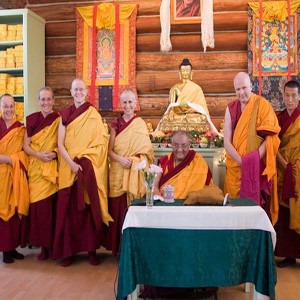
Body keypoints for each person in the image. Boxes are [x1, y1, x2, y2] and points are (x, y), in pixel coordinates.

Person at [52, 78, 112, 267]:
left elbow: (101, 142)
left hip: (87, 169)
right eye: (75, 89)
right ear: (71, 92)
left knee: (88, 209)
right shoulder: (65, 114)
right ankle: (68, 252)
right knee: (69, 212)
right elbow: (60, 144)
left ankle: (91, 251)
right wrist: (71, 163)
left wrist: (85, 162)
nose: (78, 92)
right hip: (69, 168)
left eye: (81, 89)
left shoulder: (93, 114)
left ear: (86, 92)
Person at [224, 72, 281, 224]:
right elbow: (226, 142)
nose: (241, 92)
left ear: (251, 86)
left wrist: (254, 159)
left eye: (244, 88)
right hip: (236, 167)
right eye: (237, 89)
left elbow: (272, 136)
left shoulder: (262, 105)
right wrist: (242, 161)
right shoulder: (231, 108)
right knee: (234, 210)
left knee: (256, 211)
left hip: (257, 167)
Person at [107, 89, 154, 255]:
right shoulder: (115, 124)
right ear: (121, 103)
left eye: (130, 102)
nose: (127, 106)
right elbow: (109, 151)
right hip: (119, 171)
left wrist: (135, 161)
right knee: (118, 211)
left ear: (135, 103)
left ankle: (133, 248)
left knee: (132, 210)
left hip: (135, 172)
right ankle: (118, 249)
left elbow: (147, 152)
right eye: (124, 102)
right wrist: (121, 159)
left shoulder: (140, 124)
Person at [23, 87, 60, 260]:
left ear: (54, 101)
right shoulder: (31, 120)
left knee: (51, 208)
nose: (46, 103)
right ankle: (42, 247)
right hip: (36, 167)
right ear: (38, 101)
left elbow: (63, 143)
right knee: (39, 209)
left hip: (51, 167)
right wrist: (38, 155)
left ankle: (52, 246)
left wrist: (54, 154)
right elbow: (26, 145)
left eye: (48, 99)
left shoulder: (59, 120)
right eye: (42, 100)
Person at [0, 94, 29, 263]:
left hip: (14, 173)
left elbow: (24, 153)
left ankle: (13, 247)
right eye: (5, 106)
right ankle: (5, 250)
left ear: (15, 107)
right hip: (1, 176)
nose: (9, 110)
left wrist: (11, 159)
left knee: (15, 210)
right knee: (3, 212)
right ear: (1, 107)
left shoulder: (20, 129)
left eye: (11, 106)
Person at [275, 80, 300, 268]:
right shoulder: (278, 118)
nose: (290, 99)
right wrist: (284, 165)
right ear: (283, 96)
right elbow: (272, 144)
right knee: (284, 211)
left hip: (299, 171)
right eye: (287, 95)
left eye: (293, 95)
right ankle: (288, 254)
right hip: (282, 170)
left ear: (299, 97)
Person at [156, 58, 217, 134]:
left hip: (192, 115)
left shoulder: (196, 88)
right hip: (178, 115)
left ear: (191, 72)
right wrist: (171, 112)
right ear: (180, 73)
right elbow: (171, 106)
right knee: (166, 118)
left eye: (187, 71)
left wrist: (189, 105)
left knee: (202, 118)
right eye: (183, 71)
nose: (185, 73)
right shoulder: (175, 88)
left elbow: (202, 108)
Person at [154, 130, 213, 199]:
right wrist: (160, 201)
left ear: (189, 144)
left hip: (192, 205)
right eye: (175, 145)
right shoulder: (164, 161)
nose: (179, 149)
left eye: (183, 145)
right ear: (171, 144)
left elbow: (209, 189)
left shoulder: (198, 161)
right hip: (166, 204)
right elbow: (154, 186)